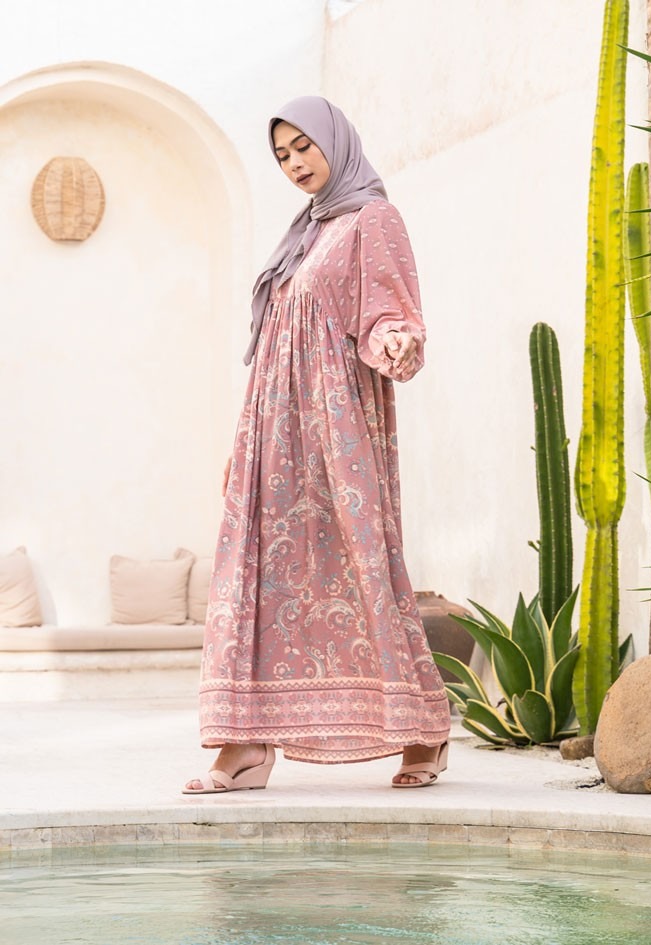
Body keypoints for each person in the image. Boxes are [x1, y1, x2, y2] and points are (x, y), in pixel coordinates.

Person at [184, 96, 450, 795]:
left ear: (336, 140)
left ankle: (422, 728)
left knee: (363, 569)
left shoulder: (372, 219)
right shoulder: (306, 231)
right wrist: (245, 444)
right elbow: (276, 341)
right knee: (256, 577)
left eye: (304, 146)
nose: (295, 163)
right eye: (282, 155)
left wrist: (397, 339)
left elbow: (387, 310)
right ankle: (244, 742)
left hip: (336, 427)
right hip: (272, 431)